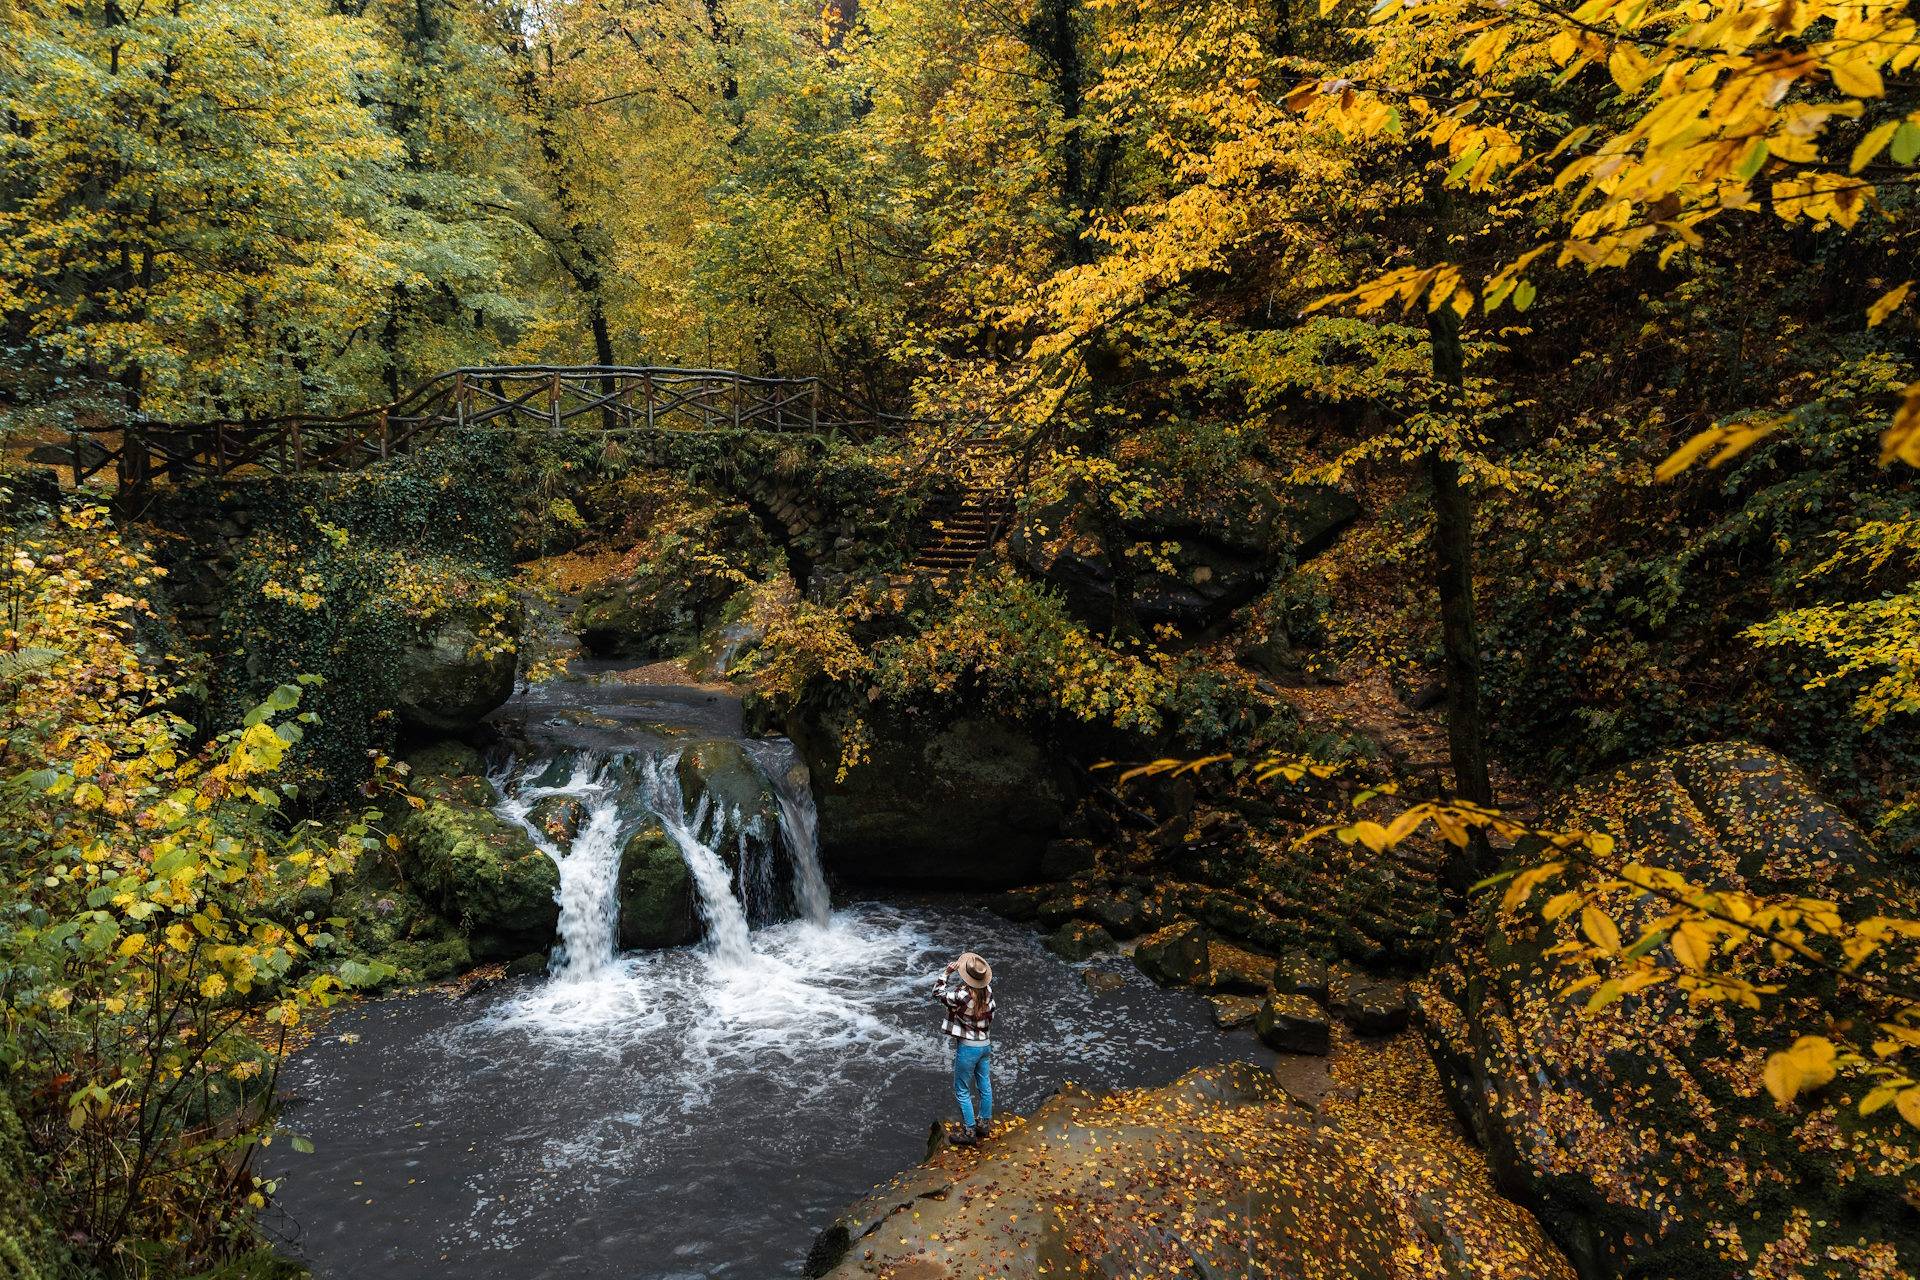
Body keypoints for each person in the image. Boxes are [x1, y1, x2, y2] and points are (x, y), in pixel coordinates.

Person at [932, 951, 994, 1146]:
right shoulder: (988, 991)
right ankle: (983, 1124)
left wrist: (946, 972)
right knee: (984, 1085)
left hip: (968, 1048)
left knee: (962, 1089)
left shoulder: (962, 995)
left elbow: (937, 993)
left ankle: (969, 1131)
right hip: (985, 1045)